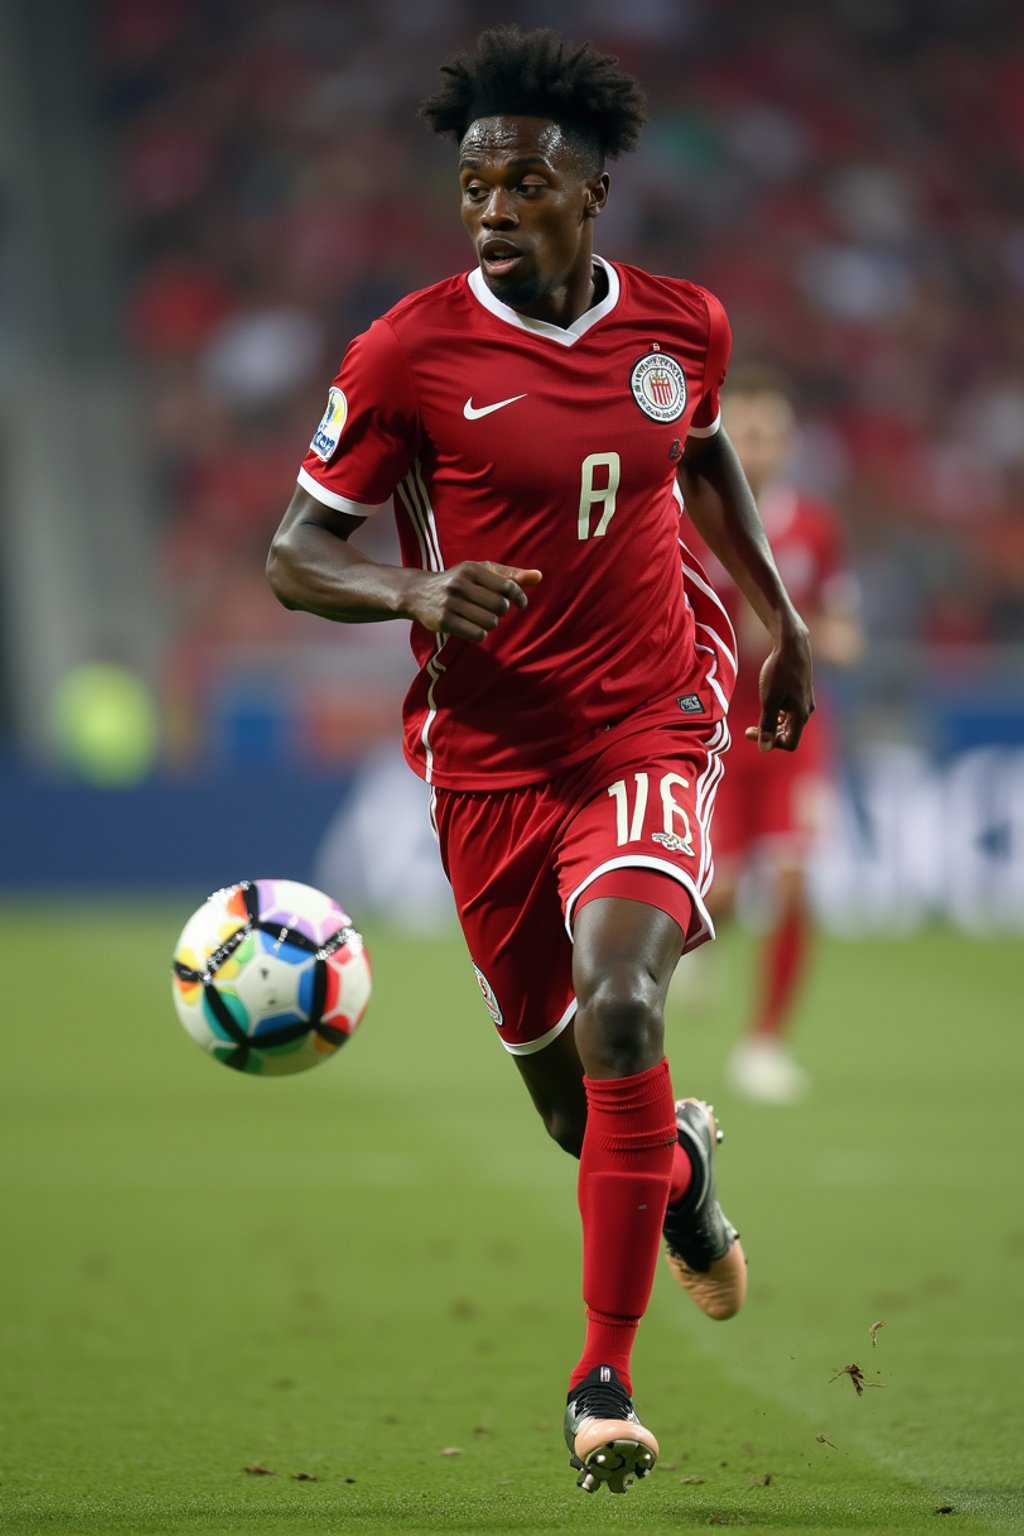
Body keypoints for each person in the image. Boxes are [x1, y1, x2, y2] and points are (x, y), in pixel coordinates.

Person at [267, 26, 813, 1496]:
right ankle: (683, 1179)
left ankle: (603, 1379)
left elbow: (697, 450)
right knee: (582, 1109)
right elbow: (293, 555)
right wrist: (412, 594)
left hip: (649, 715)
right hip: (485, 766)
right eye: (472, 187)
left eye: (523, 183)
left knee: (622, 1003)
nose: (492, 207)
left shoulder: (680, 325)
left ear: (594, 192)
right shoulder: (408, 351)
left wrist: (774, 614)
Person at [682, 368, 863, 1105]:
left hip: (793, 731)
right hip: (712, 729)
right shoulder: (692, 514)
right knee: (719, 888)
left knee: (791, 881)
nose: (755, 445)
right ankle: (703, 947)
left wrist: (808, 637)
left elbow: (845, 629)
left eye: (767, 432)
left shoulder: (815, 528)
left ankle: (764, 1043)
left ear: (787, 443)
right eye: (743, 431)